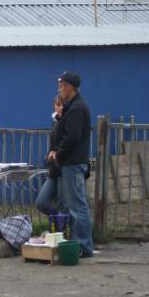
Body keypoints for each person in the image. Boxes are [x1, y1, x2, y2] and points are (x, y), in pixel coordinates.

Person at [52, 70, 94, 258]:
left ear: (69, 87)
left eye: (61, 87)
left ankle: (84, 245)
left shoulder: (77, 108)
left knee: (77, 205)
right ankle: (80, 242)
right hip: (71, 162)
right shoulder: (72, 107)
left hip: (74, 162)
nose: (60, 90)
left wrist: (58, 153)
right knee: (74, 204)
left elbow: (72, 136)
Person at [35, 94, 64, 216]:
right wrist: (50, 155)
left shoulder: (70, 121)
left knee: (63, 204)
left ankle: (63, 225)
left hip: (65, 169)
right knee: (41, 202)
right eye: (57, 105)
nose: (59, 108)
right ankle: (59, 219)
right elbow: (53, 143)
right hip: (54, 169)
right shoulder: (55, 122)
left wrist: (57, 153)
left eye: (61, 105)